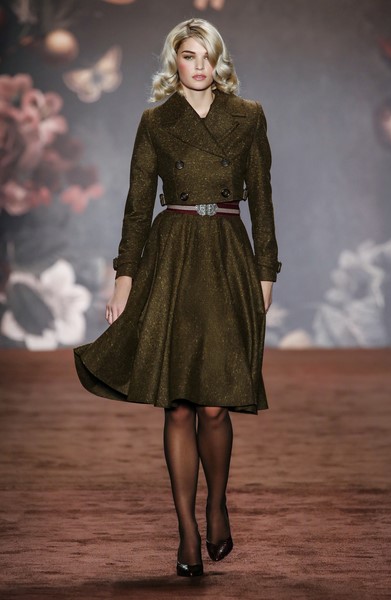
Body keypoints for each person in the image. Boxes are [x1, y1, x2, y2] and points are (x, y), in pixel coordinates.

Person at [74, 18, 281, 578]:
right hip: (172, 258)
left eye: (207, 55)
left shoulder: (248, 116)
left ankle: (217, 504)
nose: (199, 65)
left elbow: (263, 199)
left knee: (215, 402)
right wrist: (124, 279)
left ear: (219, 60)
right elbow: (137, 205)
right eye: (189, 55)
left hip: (228, 255)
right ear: (176, 61)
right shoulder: (156, 122)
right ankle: (186, 529)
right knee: (180, 403)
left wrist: (266, 271)